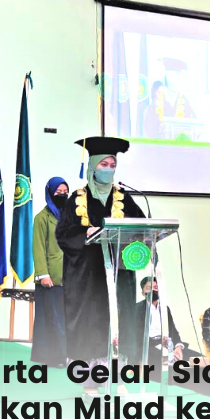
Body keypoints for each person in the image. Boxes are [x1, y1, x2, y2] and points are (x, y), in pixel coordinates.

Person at [55, 136, 146, 395]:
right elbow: (63, 234)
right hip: (87, 278)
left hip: (118, 275)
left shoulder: (124, 198)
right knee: (90, 326)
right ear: (93, 166)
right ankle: (90, 382)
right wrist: (85, 233)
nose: (109, 169)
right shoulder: (76, 199)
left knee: (119, 322)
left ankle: (116, 378)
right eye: (104, 164)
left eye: (112, 165)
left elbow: (140, 226)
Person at [31, 177, 70, 367]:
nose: (62, 195)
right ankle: (54, 358)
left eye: (65, 192)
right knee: (52, 320)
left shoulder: (71, 216)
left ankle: (67, 355)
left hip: (69, 277)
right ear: (50, 193)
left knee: (66, 319)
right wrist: (43, 274)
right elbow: (38, 248)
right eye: (58, 192)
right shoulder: (42, 218)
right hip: (51, 278)